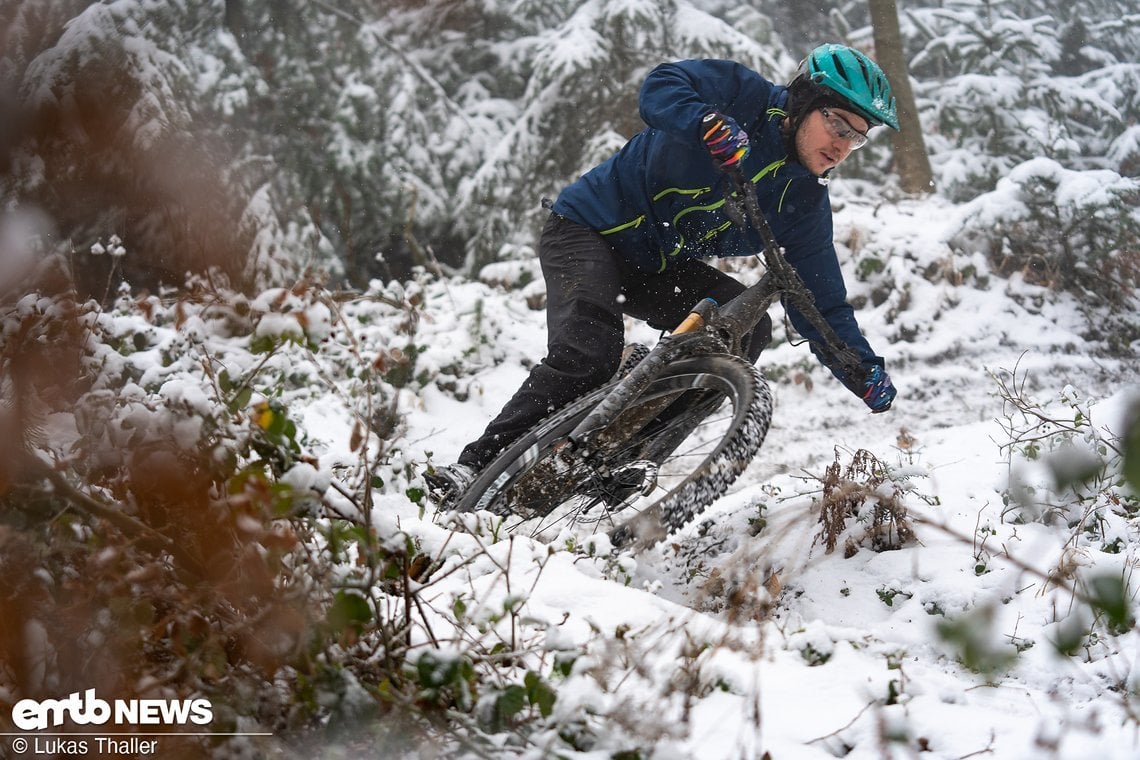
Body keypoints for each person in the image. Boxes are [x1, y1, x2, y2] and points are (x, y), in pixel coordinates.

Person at [428, 43, 899, 500]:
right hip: (586, 229)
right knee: (588, 348)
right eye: (837, 123)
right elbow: (662, 83)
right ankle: (472, 467)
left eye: (857, 136)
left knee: (747, 329)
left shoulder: (802, 202)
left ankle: (629, 453)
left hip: (652, 266)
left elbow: (819, 299)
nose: (842, 145)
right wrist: (704, 122)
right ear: (804, 102)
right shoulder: (745, 96)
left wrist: (860, 370)